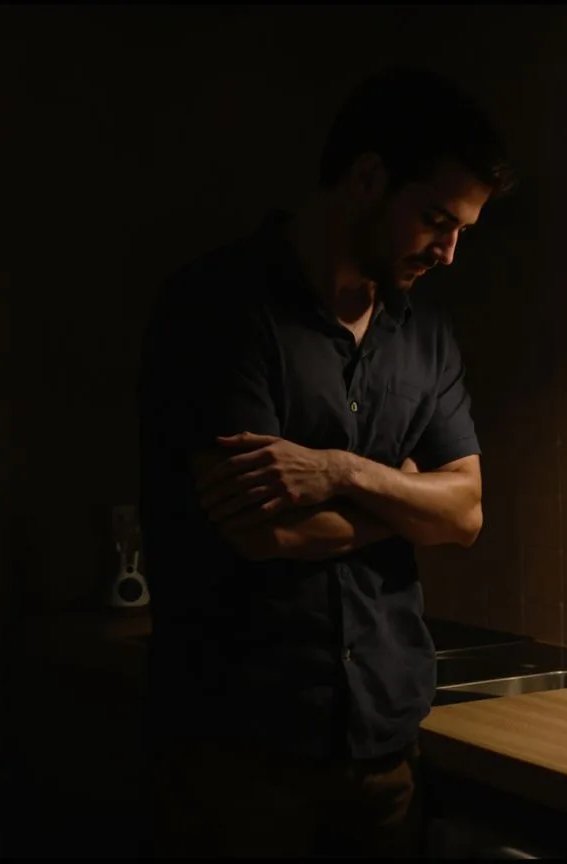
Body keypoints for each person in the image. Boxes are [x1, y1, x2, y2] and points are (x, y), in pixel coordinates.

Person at [135, 66, 514, 857]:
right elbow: (263, 533)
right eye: (435, 219)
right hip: (237, 750)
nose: (448, 252)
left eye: (462, 231)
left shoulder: (425, 336)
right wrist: (410, 499)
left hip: (383, 743)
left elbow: (469, 513)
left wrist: (341, 473)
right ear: (367, 179)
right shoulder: (219, 307)